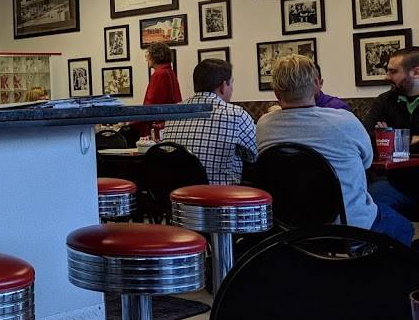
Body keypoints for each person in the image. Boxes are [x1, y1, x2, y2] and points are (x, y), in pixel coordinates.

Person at [256, 54, 412, 245]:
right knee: (405, 228)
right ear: (316, 84)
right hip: (348, 226)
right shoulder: (344, 121)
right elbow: (367, 162)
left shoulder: (264, 125)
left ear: (275, 92)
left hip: (289, 228)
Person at [161, 59, 256, 185]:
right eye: (231, 83)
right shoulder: (236, 114)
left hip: (177, 193)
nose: (232, 89)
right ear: (223, 86)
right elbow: (254, 156)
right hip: (220, 194)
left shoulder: (174, 113)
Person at [365, 46, 419, 223]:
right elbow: (367, 138)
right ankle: (401, 236)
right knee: (367, 201)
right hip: (394, 181)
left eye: (393, 71)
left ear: (416, 72)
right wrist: (412, 140)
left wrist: (389, 137)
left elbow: (382, 141)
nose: (386, 76)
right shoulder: (384, 101)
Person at [128, 43, 181, 140]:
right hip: (169, 123)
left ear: (155, 57)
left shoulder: (159, 74)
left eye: (148, 56)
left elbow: (150, 104)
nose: (146, 59)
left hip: (157, 126)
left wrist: (132, 121)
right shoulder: (169, 72)